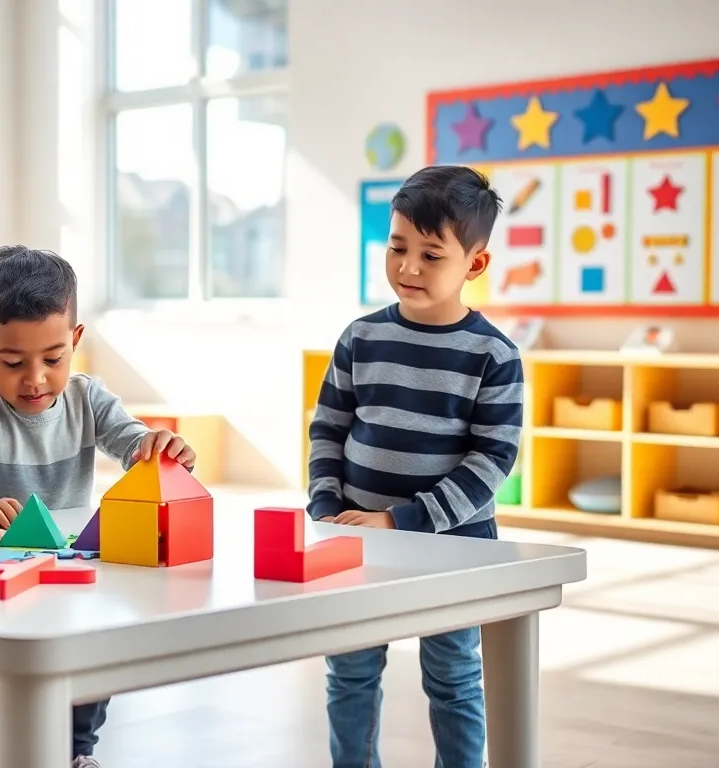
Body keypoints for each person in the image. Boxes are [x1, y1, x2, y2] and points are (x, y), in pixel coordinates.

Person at [0, 245, 196, 768]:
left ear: (76, 340)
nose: (36, 379)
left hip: (67, 575)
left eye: (53, 358)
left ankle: (76, 755)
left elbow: (132, 441)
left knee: (87, 667)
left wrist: (157, 446)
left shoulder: (89, 398)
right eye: (13, 362)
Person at [307, 165, 524, 768]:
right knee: (349, 671)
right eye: (398, 248)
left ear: (474, 265)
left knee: (453, 676)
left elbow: (492, 460)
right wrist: (326, 508)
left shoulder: (494, 355)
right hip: (354, 539)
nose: (408, 268)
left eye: (431, 255)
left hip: (455, 544)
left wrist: (401, 520)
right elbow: (328, 427)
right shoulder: (360, 337)